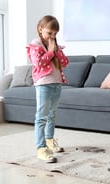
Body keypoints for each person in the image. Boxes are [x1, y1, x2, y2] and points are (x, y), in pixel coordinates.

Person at [26, 15, 69, 163]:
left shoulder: (54, 45)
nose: (52, 36)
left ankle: (50, 140)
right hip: (43, 84)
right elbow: (38, 63)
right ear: (40, 29)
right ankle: (41, 148)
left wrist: (55, 50)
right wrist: (50, 52)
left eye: (55, 34)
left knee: (52, 114)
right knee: (41, 117)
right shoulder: (35, 45)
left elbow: (65, 62)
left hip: (57, 83)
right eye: (49, 33)